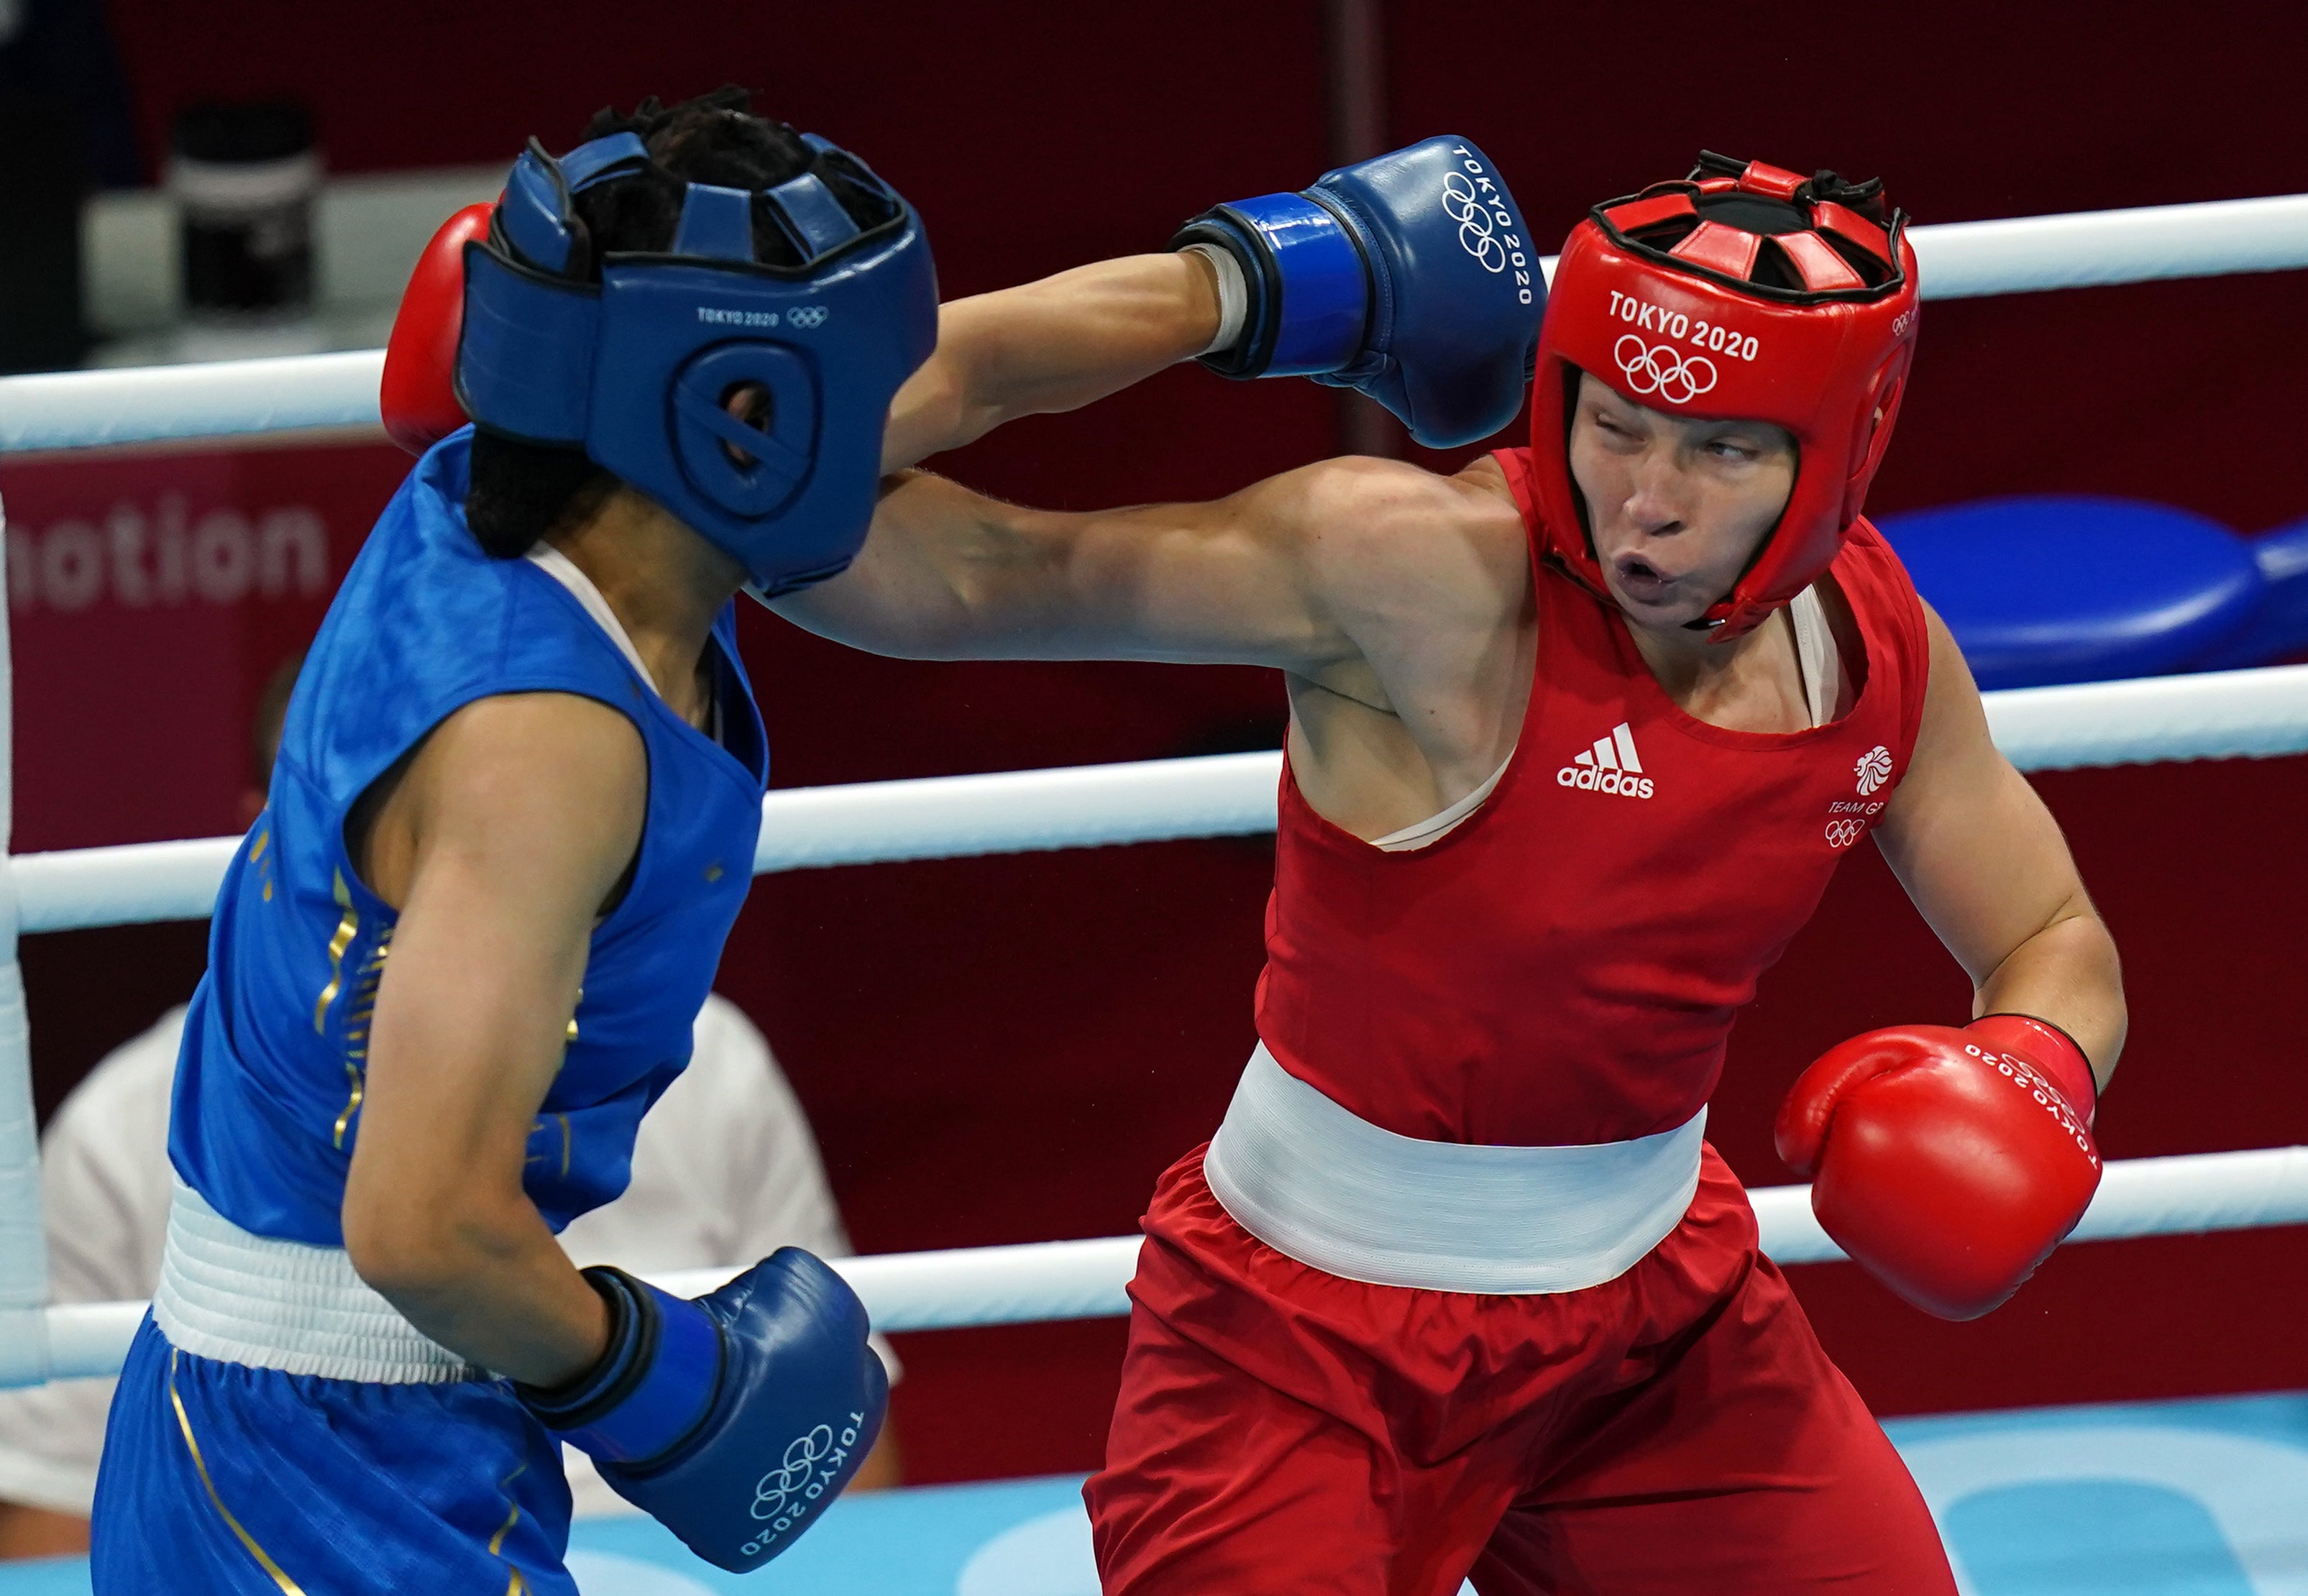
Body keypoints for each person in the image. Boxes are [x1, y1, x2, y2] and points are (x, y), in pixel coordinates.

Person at [786, 145, 2125, 1591]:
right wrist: (1219, 290)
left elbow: (2052, 932)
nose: (1647, 500)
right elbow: (934, 569)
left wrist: (2031, 1072)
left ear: (1839, 451)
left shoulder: (1880, 652)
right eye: (1616, 425)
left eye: (1721, 449)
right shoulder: (1416, 573)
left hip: (1660, 1340)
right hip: (1305, 1355)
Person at [88, 89, 933, 1592]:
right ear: (740, 416)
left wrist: (1242, 287)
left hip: (313, 1422)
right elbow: (420, 1227)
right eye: (850, 392)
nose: (884, 435)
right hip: (329, 1454)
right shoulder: (541, 748)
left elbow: (946, 373)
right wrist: (653, 1378)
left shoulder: (475, 505)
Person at [0, 661, 900, 1561]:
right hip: (303, 1543)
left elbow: (830, 1466)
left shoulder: (710, 1059)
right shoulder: (123, 1130)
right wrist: (660, 1390)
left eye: (472, 833)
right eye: (387, 837)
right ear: (272, 845)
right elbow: (49, 1515)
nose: (423, 878)